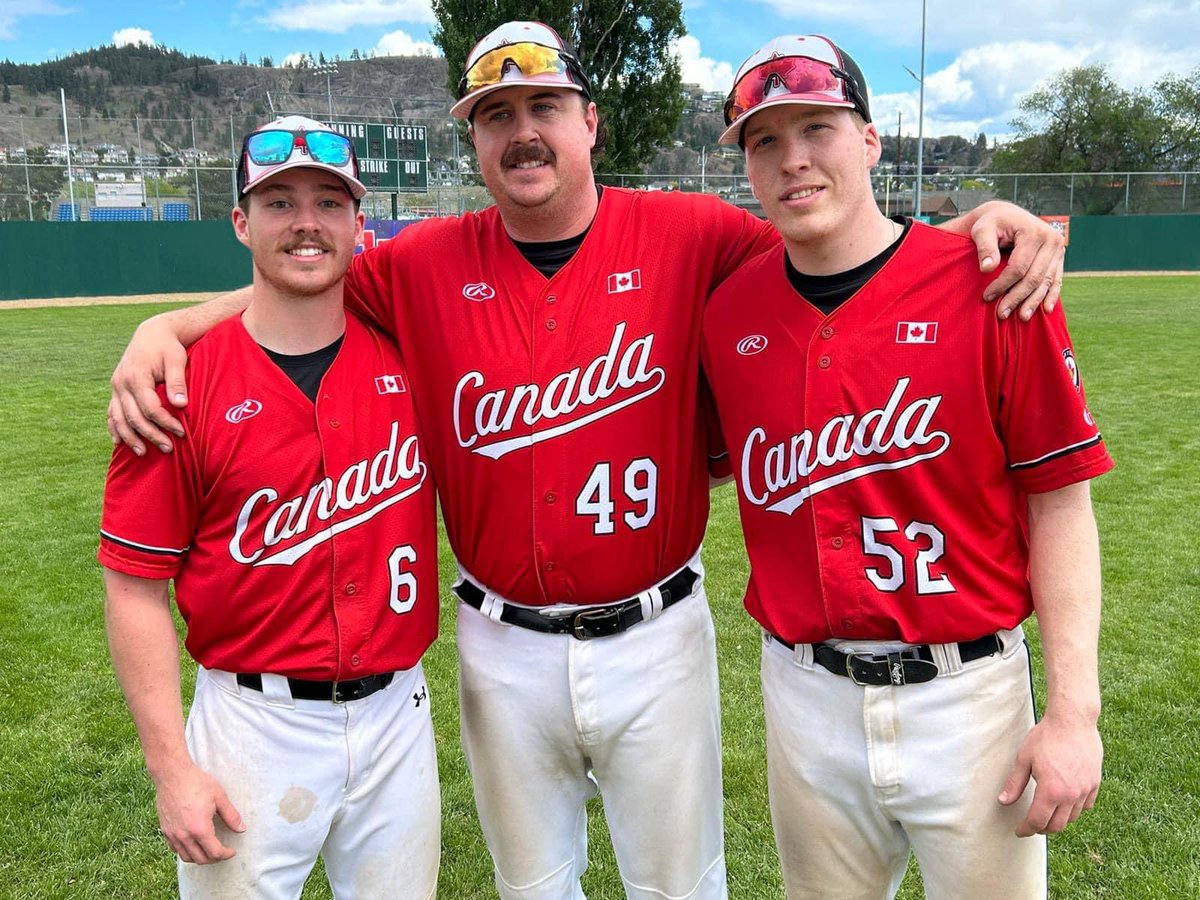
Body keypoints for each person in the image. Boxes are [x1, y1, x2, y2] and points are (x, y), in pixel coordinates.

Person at [105, 22, 1067, 900]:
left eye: (545, 107)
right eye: (497, 116)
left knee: (680, 886)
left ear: (591, 123)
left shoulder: (694, 234)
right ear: (474, 140)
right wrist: (169, 327)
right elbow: (299, 278)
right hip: (500, 641)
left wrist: (976, 226)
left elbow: (844, 245)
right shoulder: (420, 262)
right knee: (532, 887)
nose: (523, 133)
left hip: (660, 631)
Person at [701, 35, 1112, 898]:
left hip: (969, 698)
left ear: (870, 140)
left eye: (817, 127)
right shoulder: (728, 315)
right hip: (804, 695)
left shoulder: (994, 283)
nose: (792, 158)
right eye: (764, 141)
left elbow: (1061, 503)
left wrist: (1075, 712)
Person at [98, 116, 440, 899]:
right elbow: (133, 588)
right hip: (251, 723)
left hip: (399, 712)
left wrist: (163, 319)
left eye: (329, 202)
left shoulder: (406, 349)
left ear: (359, 223)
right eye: (280, 203)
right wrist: (170, 768)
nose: (306, 222)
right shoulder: (175, 389)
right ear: (241, 223)